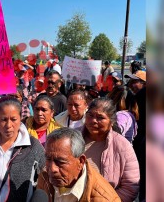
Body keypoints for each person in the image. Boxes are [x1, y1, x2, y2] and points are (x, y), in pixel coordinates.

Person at [37, 127, 121, 202]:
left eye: (60, 162)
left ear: (81, 161)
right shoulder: (44, 178)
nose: (52, 169)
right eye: (48, 159)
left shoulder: (105, 199)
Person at [83, 98, 140, 202]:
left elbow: (130, 187)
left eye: (100, 117)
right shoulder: (72, 138)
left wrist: (105, 200)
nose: (93, 121)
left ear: (112, 121)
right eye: (90, 115)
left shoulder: (123, 146)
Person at [124, 70, 146, 201]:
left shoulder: (142, 95)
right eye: (130, 81)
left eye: (134, 81)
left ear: (143, 83)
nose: (131, 84)